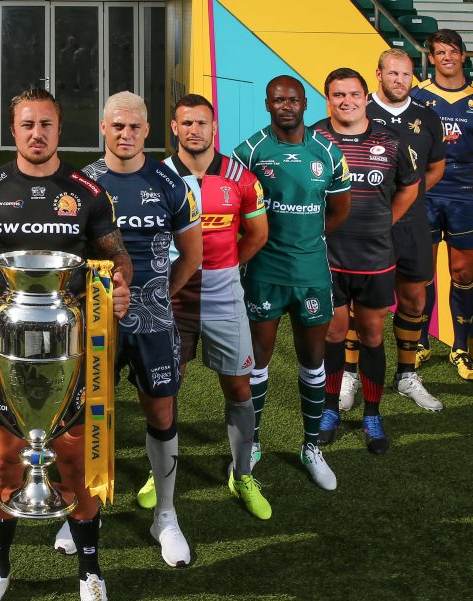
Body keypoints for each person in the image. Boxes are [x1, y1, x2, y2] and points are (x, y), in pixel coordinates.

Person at [0, 87, 131, 601]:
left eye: (46, 124)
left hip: (72, 356)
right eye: (26, 125)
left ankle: (90, 576)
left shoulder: (86, 192)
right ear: (13, 129)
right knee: (4, 466)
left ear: (60, 127)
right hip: (4, 356)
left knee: (76, 467)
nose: (37, 134)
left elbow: (114, 253)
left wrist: (121, 282)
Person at [59, 90, 201, 568]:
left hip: (154, 323)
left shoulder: (170, 181)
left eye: (134, 127)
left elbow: (193, 254)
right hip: (92, 322)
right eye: (116, 126)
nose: (125, 134)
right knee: (80, 417)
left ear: (148, 131)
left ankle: (165, 514)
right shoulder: (79, 184)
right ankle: (78, 507)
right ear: (103, 129)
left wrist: (157, 295)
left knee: (160, 414)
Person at [140, 93, 271, 519]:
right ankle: (158, 471)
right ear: (173, 129)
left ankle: (243, 472)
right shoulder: (155, 177)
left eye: (202, 122)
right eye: (186, 123)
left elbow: (256, 235)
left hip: (222, 292)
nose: (194, 130)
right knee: (165, 387)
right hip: (170, 295)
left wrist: (227, 269)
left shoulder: (241, 177)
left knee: (238, 387)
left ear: (214, 128)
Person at [231, 75, 351, 490]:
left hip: (312, 274)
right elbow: (236, 212)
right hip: (264, 274)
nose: (286, 105)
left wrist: (308, 240)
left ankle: (312, 447)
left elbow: (338, 209)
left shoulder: (328, 152)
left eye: (293, 99)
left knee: (312, 360)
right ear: (267, 104)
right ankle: (254, 442)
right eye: (278, 100)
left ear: (304, 103)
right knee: (258, 359)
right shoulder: (248, 152)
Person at [312, 68, 420, 455]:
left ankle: (372, 414)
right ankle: (329, 411)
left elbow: (410, 186)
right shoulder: (315, 138)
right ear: (328, 99)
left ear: (365, 96)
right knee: (333, 335)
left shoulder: (390, 140)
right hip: (327, 256)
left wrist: (383, 221)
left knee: (372, 335)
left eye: (354, 94)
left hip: (375, 258)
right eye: (338, 95)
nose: (347, 101)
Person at [338, 48, 446, 413]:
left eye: (406, 74)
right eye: (392, 73)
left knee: (414, 298)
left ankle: (407, 375)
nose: (399, 80)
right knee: (360, 304)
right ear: (379, 74)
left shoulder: (428, 118)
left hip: (413, 225)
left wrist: (407, 198)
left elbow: (434, 168)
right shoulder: (359, 111)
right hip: (364, 229)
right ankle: (349, 375)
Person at [411, 28, 473, 380]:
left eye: (453, 51)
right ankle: (421, 343)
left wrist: (466, 178)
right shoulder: (418, 95)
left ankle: (460, 348)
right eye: (439, 52)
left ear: (463, 56)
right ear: (431, 58)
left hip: (464, 198)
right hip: (425, 197)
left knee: (463, 274)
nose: (447, 57)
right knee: (421, 273)